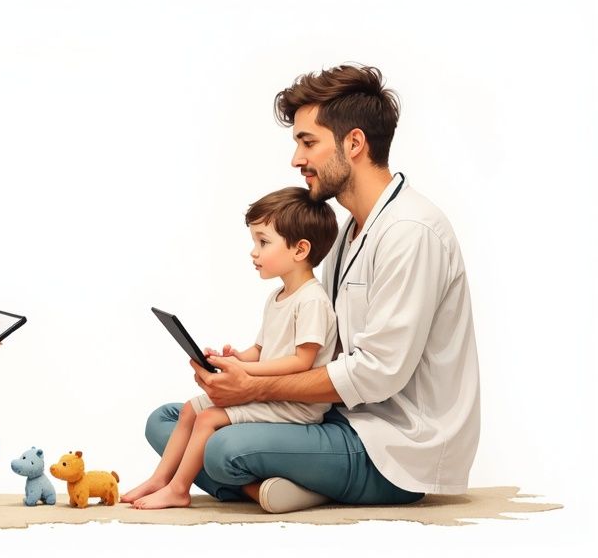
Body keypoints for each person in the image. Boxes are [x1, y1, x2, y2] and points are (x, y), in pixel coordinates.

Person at [140, 64, 480, 513]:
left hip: (390, 446)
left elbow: (377, 374)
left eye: (307, 142)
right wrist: (241, 371)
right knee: (167, 421)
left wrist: (255, 389)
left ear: (353, 144)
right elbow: (325, 350)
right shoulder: (347, 233)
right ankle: (271, 489)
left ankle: (267, 480)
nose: (297, 160)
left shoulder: (411, 232)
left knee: (223, 448)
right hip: (336, 419)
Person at [125, 187, 338, 510]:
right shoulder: (279, 297)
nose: (254, 252)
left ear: (300, 249)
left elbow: (302, 361)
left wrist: (245, 372)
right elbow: (262, 349)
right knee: (188, 410)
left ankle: (179, 489)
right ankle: (161, 478)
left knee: (208, 418)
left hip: (295, 406)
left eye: (263, 242)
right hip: (270, 390)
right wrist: (237, 358)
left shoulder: (311, 301)